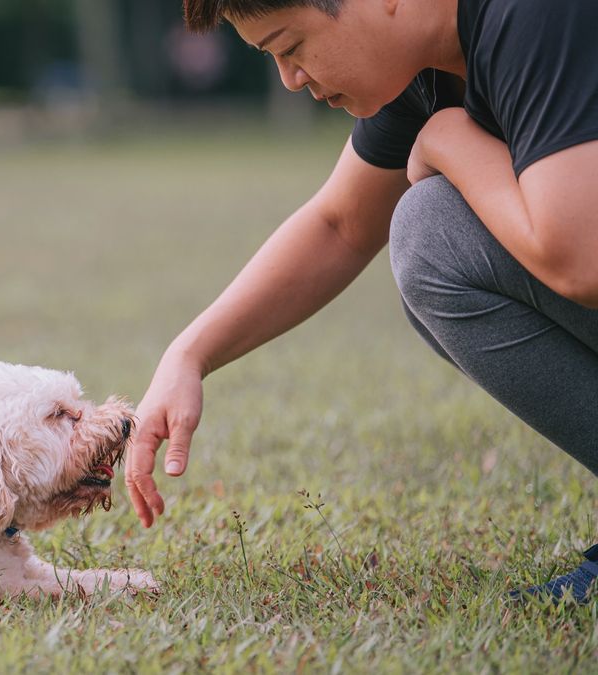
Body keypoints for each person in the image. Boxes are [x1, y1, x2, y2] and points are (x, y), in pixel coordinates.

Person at [125, 0, 598, 602]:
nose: (291, 80)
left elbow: (583, 259)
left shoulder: (536, 15)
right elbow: (340, 224)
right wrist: (188, 356)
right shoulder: (428, 69)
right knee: (435, 242)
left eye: (290, 47)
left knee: (432, 234)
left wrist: (450, 140)